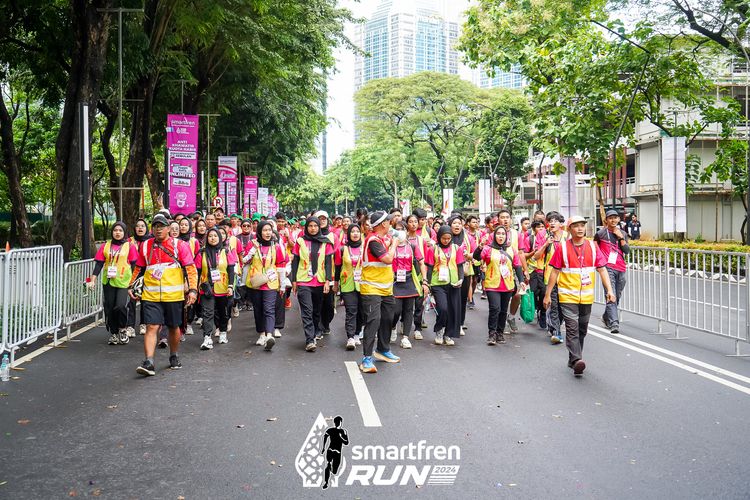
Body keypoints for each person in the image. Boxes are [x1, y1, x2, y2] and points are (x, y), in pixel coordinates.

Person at [544, 216, 616, 376]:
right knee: (572, 328)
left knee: (582, 329)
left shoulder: (592, 246)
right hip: (567, 296)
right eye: (576, 226)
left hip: (586, 297)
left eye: (582, 225)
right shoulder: (562, 248)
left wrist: (610, 290)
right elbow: (554, 272)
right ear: (569, 229)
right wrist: (547, 295)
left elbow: (602, 269)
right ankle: (577, 360)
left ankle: (573, 359)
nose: (580, 228)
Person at [128, 214, 198, 376]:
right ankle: (149, 362)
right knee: (152, 326)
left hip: (173, 296)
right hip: (150, 296)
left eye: (161, 226)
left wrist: (193, 290)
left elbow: (190, 268)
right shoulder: (145, 245)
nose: (158, 229)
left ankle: (174, 355)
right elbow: (139, 268)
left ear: (168, 228)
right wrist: (131, 285)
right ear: (152, 229)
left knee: (173, 327)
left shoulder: (179, 245)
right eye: (155, 226)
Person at [358, 211, 401, 373]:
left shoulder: (383, 238)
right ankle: (366, 358)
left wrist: (393, 239)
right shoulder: (373, 241)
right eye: (389, 221)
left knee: (388, 318)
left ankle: (383, 349)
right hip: (371, 289)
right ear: (383, 224)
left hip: (386, 289)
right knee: (373, 321)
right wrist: (394, 244)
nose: (391, 223)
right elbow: (388, 259)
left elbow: (397, 237)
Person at [89, 222, 138, 345]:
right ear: (112, 232)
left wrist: (133, 283)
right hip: (108, 281)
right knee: (109, 308)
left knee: (120, 306)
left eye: (120, 230)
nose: (117, 232)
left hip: (124, 282)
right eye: (115, 230)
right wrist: (92, 279)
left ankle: (122, 329)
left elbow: (134, 266)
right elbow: (99, 264)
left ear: (124, 232)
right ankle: (114, 333)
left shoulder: (130, 246)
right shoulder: (106, 246)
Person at [476, 226, 524, 345]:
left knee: (503, 310)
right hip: (492, 284)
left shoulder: (511, 250)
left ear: (506, 236)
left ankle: (500, 333)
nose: (501, 236)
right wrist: (480, 246)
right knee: (495, 308)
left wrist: (521, 281)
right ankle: (492, 334)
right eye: (498, 234)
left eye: (503, 234)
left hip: (507, 285)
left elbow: (517, 266)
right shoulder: (488, 249)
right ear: (494, 236)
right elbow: (477, 257)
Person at [291, 216, 334, 352]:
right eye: (310, 226)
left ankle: (316, 331)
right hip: (303, 280)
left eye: (315, 226)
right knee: (307, 310)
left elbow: (328, 263)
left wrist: (328, 280)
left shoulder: (325, 242)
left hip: (319, 281)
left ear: (319, 227)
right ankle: (309, 340)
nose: (313, 228)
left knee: (316, 310)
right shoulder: (300, 241)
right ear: (306, 227)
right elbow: (295, 261)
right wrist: (294, 280)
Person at [245, 220, 286, 351]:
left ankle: (269, 335)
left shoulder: (276, 247)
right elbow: (244, 260)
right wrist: (253, 249)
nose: (268, 233)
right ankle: (261, 334)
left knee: (269, 309)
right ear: (259, 232)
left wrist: (282, 284)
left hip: (271, 282)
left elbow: (281, 266)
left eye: (269, 230)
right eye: (265, 230)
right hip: (256, 282)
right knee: (258, 309)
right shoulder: (252, 244)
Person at [389, 220, 427, 349]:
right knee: (396, 310)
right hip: (394, 281)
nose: (400, 232)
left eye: (402, 229)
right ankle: (393, 327)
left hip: (409, 280)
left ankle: (405, 337)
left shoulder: (412, 246)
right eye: (397, 229)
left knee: (409, 310)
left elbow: (421, 263)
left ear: (406, 231)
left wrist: (425, 281)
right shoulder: (390, 246)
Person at [425, 225, 465, 346]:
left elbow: (460, 266)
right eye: (443, 238)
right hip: (438, 283)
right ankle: (439, 329)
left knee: (453, 310)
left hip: (453, 283)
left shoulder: (456, 248)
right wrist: (428, 284)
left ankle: (448, 334)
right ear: (439, 237)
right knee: (443, 308)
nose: (446, 240)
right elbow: (430, 268)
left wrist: (461, 279)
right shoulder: (433, 249)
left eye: (448, 238)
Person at [197, 228, 236, 350]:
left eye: (215, 236)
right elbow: (197, 271)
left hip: (223, 287)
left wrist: (230, 286)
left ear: (220, 237)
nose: (213, 238)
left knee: (222, 312)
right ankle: (207, 337)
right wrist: (195, 287)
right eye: (210, 236)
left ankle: (223, 332)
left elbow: (231, 270)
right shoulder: (202, 252)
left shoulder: (226, 251)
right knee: (207, 313)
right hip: (207, 287)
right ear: (207, 238)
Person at [532, 211, 568, 344]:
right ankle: (557, 332)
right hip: (549, 276)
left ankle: (553, 324)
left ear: (561, 223)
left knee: (563, 307)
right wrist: (546, 244)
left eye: (555, 221)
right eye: (550, 221)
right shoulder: (543, 235)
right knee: (553, 305)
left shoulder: (567, 236)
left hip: (566, 277)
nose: (552, 223)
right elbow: (536, 256)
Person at [594, 209, 630, 334]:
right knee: (611, 294)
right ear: (606, 220)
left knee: (617, 295)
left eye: (615, 217)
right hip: (607, 268)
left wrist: (621, 237)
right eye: (610, 218)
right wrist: (599, 264)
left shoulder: (623, 233)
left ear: (618, 219)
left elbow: (627, 250)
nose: (613, 220)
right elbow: (595, 249)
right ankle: (614, 323)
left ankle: (606, 316)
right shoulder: (600, 234)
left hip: (621, 268)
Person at [497, 209, 529, 335]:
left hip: (514, 268)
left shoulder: (517, 234)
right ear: (498, 219)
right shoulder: (495, 234)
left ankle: (511, 317)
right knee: (501, 297)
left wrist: (525, 270)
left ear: (511, 219)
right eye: (502, 217)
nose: (505, 220)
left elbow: (521, 252)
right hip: (498, 268)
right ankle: (501, 321)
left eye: (507, 217)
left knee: (518, 294)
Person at [337, 224, 364, 350]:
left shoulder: (365, 248)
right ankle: (350, 337)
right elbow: (338, 267)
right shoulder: (343, 249)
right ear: (348, 234)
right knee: (351, 310)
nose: (355, 234)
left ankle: (357, 333)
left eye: (357, 231)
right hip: (347, 284)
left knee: (362, 311)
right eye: (352, 231)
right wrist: (336, 284)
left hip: (363, 284)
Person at [405, 214, 429, 337]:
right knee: (407, 304)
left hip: (419, 274)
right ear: (407, 224)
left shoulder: (421, 240)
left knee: (419, 303)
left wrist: (425, 279)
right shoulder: (403, 238)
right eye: (411, 221)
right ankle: (404, 323)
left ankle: (417, 328)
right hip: (406, 275)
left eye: (415, 221)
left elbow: (424, 260)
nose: (413, 224)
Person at [128, 218, 152, 335]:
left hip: (146, 273)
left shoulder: (150, 241)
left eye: (142, 226)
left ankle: (143, 323)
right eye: (138, 226)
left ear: (146, 228)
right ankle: (130, 326)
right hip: (132, 273)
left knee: (145, 300)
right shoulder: (129, 241)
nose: (140, 228)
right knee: (131, 300)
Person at [178, 217, 201, 336]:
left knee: (190, 298)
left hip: (190, 271)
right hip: (178, 272)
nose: (183, 227)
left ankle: (189, 323)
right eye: (181, 224)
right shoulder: (175, 241)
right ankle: (179, 326)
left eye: (186, 225)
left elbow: (197, 258)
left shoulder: (194, 241)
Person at [525, 220, 548, 329]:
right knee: (533, 292)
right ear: (534, 229)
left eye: (543, 227)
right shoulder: (529, 239)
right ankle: (537, 307)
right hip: (532, 270)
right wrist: (533, 253)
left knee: (544, 292)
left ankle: (542, 313)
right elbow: (524, 255)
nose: (541, 229)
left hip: (544, 271)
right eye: (539, 227)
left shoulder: (548, 239)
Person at [321, 415, 349, 490]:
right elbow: (325, 437)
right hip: (332, 451)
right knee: (329, 465)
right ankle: (326, 482)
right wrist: (323, 447)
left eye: (338, 422)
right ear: (336, 423)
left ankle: (330, 469)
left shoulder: (342, 431)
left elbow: (346, 442)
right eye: (337, 422)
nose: (338, 423)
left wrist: (341, 437)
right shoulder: (332, 430)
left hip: (336, 452)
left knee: (334, 471)